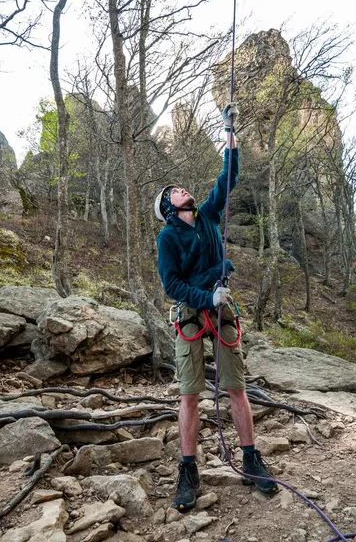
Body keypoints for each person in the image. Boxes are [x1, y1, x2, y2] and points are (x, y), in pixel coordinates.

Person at [155, 103, 277, 512]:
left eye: (179, 187)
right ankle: (188, 471)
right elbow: (171, 283)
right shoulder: (167, 238)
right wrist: (206, 297)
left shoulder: (207, 215)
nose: (180, 188)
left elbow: (229, 177)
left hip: (223, 311)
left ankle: (250, 458)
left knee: (236, 388)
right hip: (193, 312)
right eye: (173, 191)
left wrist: (230, 131)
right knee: (190, 394)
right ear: (170, 207)